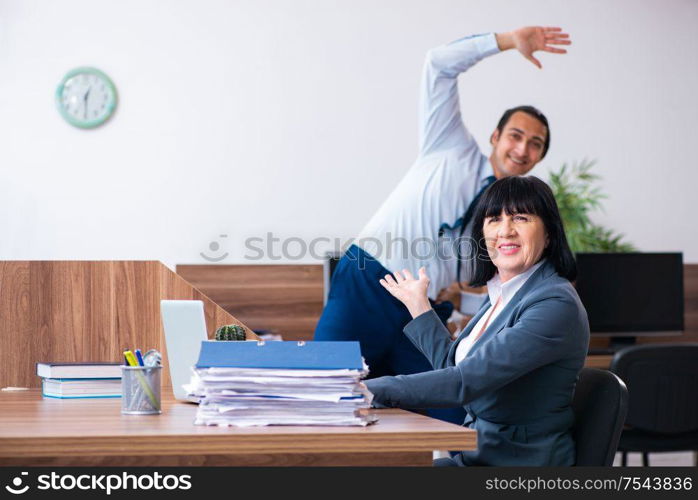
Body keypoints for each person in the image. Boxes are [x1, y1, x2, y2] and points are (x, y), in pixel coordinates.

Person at [315, 27, 571, 388]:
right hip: (369, 283)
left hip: (423, 310)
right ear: (495, 137)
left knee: (447, 407)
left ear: (538, 158)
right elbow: (438, 64)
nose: (522, 148)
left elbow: (490, 289)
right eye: (516, 135)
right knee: (327, 388)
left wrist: (467, 309)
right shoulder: (447, 145)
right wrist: (509, 41)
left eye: (535, 144)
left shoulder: (507, 225)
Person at [365, 175, 590, 466]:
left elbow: (464, 382)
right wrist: (419, 306)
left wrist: (362, 390)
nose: (505, 230)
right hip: (478, 457)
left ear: (548, 234)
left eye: (520, 217)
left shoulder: (554, 304)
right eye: (494, 219)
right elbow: (454, 369)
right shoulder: (502, 295)